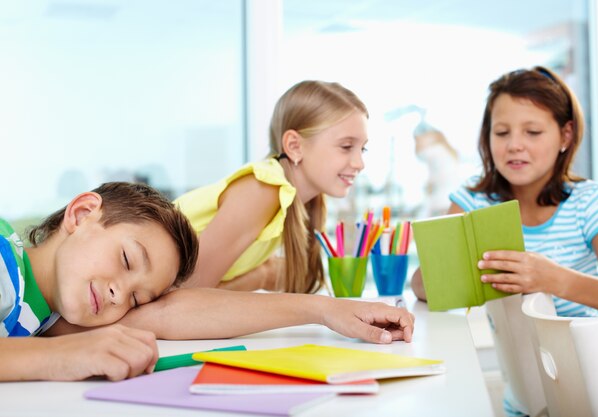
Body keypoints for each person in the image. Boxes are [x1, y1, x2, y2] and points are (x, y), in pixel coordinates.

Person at [1, 182, 414, 382]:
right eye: (127, 259)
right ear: (82, 214)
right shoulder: (5, 261)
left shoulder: (50, 312)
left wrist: (325, 309)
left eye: (136, 297)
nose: (118, 295)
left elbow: (170, 312)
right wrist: (61, 356)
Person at [410, 66, 598, 417]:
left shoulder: (589, 202)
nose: (514, 145)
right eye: (501, 132)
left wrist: (555, 280)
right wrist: (439, 270)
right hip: (525, 400)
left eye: (533, 131)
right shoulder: (472, 203)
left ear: (566, 135)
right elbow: (423, 287)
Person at [174, 80, 368, 293]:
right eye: (346, 146)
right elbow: (186, 299)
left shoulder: (294, 203)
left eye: (363, 149)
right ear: (294, 146)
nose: (359, 163)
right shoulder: (263, 190)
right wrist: (263, 275)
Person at [477, 250, 598, 318]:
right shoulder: (472, 200)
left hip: (595, 352)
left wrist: (557, 280)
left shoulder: (590, 201)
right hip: (525, 364)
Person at [412, 121, 460, 217]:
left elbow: (419, 154)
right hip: (449, 200)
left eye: (416, 139)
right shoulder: (446, 150)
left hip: (441, 202)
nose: (416, 143)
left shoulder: (433, 152)